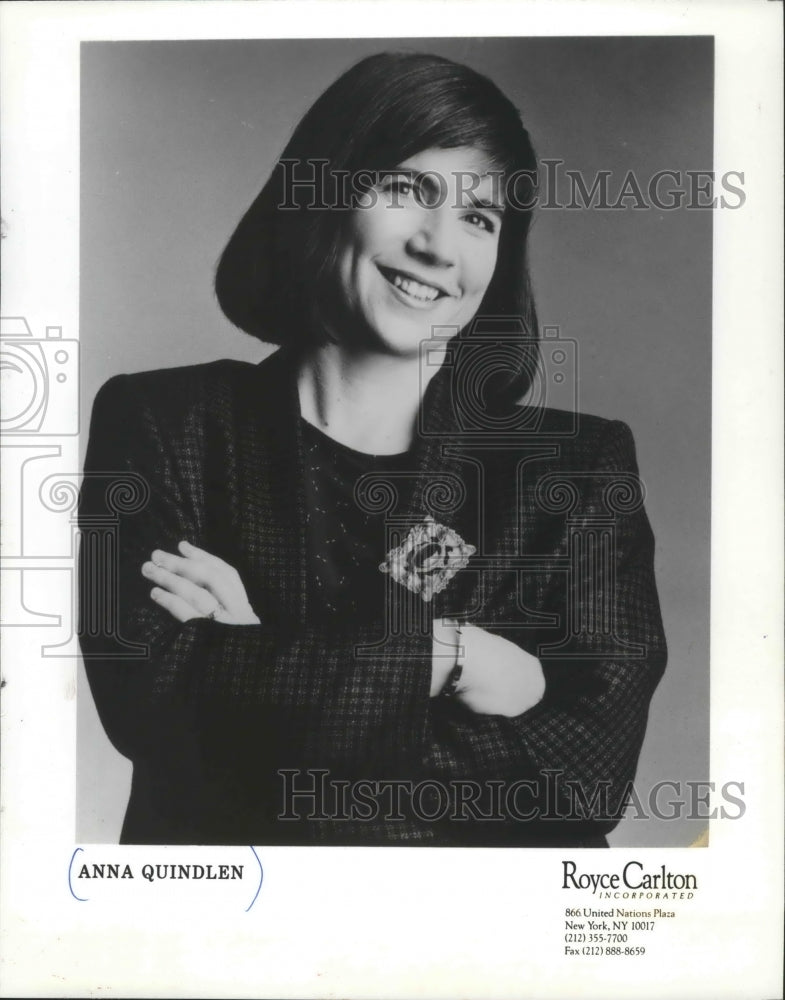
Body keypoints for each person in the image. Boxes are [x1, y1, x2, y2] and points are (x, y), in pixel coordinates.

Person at [79, 52, 667, 847]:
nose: (438, 247)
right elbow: (150, 713)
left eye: (479, 218)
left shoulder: (574, 467)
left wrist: (251, 659)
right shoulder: (164, 422)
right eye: (405, 189)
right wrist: (449, 658)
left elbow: (584, 782)